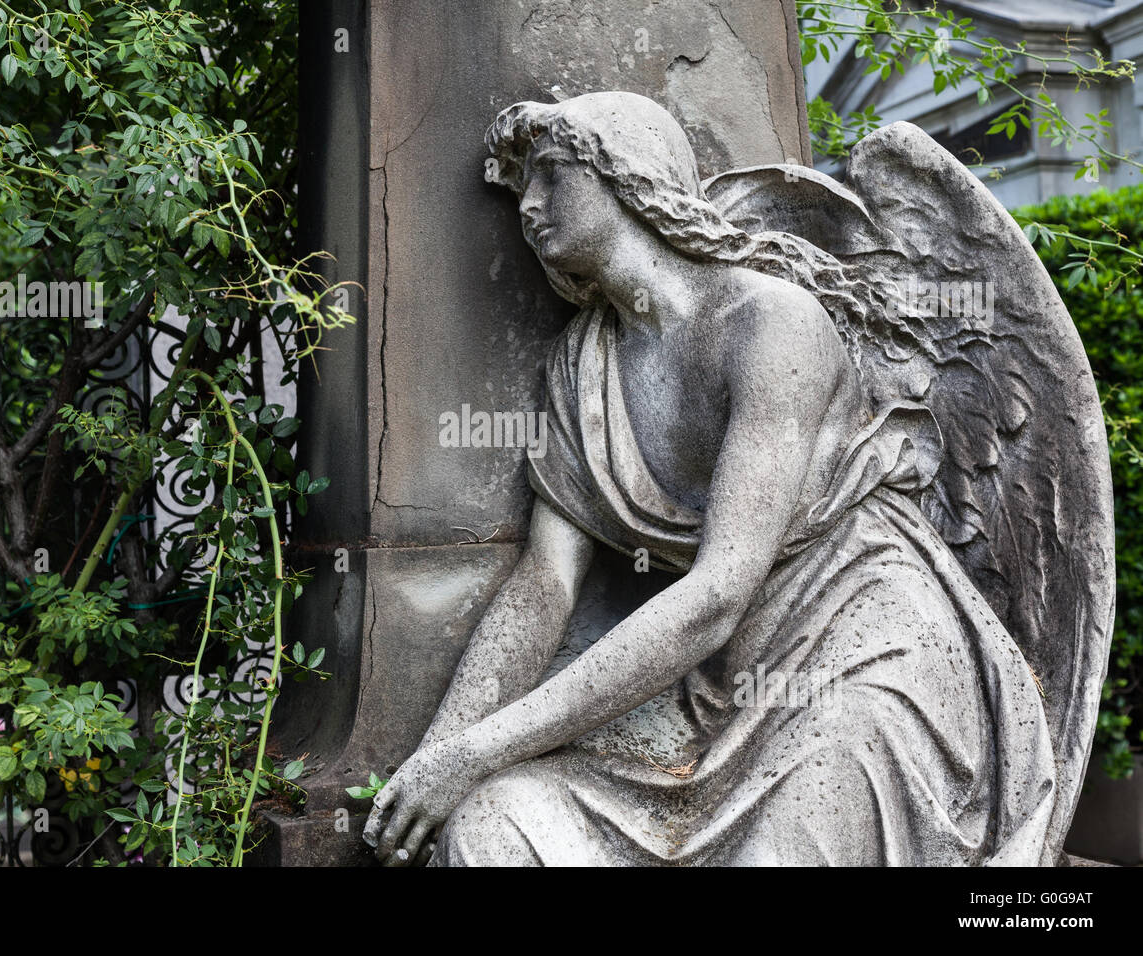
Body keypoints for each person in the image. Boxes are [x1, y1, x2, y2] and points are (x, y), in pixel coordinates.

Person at [362, 91, 1056, 866]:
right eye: (521, 183)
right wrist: (440, 760)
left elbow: (718, 592)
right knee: (495, 826)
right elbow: (544, 586)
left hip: (861, 665)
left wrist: (484, 747)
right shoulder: (581, 368)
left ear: (629, 176)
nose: (528, 205)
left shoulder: (773, 325)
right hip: (713, 694)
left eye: (553, 174)